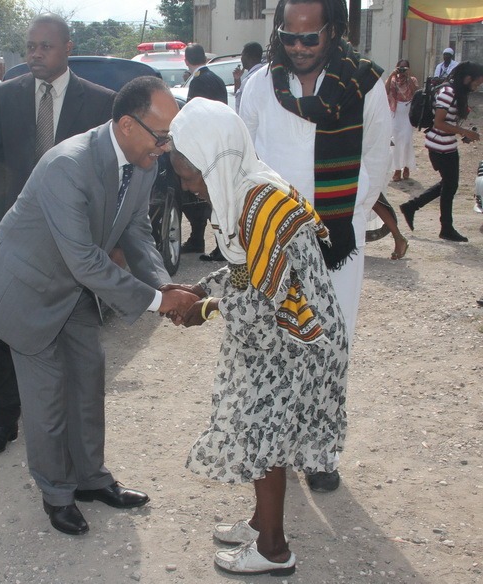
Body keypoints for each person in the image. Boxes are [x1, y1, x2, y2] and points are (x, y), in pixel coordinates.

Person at [0, 76, 198, 535]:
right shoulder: (69, 165)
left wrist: (163, 282)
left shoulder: (144, 162)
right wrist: (160, 303)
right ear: (126, 125)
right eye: (161, 136)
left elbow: (136, 231)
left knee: (88, 380)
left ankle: (92, 479)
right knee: (47, 399)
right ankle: (57, 493)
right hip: (26, 290)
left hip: (72, 286)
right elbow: (85, 259)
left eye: (170, 136)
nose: (165, 146)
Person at [167, 98, 347, 576]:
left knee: (266, 437)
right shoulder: (246, 189)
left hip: (294, 343)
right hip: (280, 338)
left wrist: (203, 307)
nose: (188, 188)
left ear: (214, 161)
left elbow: (267, 298)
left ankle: (272, 549)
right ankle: (259, 522)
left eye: (189, 176)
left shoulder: (261, 204)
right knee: (262, 433)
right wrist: (203, 288)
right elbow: (250, 272)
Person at [239, 0, 391, 492]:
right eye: (289, 37)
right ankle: (278, 449)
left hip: (336, 244)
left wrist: (345, 220)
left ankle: (321, 452)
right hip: (274, 241)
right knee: (277, 346)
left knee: (331, 345)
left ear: (334, 30)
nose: (299, 48)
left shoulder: (364, 83)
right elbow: (244, 159)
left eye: (311, 38)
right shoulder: (261, 83)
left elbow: (377, 157)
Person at [0, 14, 116, 455]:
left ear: (67, 48)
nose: (35, 54)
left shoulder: (99, 103)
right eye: (30, 46)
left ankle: (70, 434)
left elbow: (107, 177)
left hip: (72, 239)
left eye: (45, 46)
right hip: (19, 238)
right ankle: (4, 422)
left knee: (71, 337)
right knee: (9, 330)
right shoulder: (6, 96)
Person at [399, 62, 483, 243]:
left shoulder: (455, 92)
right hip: (441, 146)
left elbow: (448, 121)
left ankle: (412, 206)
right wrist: (464, 132)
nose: (477, 87)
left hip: (444, 144)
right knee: (450, 186)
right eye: (476, 83)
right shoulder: (448, 93)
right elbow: (439, 123)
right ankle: (445, 227)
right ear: (468, 78)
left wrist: (462, 133)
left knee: (448, 184)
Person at [180, 43, 228, 260]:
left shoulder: (198, 81)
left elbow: (194, 116)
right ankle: (200, 240)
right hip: (218, 143)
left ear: (186, 60)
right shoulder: (216, 79)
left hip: (205, 147)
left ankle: (220, 246)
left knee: (208, 198)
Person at [385, 60, 418, 182]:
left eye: (405, 68)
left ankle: (407, 166)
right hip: (395, 113)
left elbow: (416, 93)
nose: (402, 71)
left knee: (407, 141)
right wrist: (391, 75)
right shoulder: (393, 80)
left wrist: (408, 77)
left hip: (408, 113)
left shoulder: (412, 80)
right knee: (396, 142)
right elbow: (385, 90)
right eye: (400, 68)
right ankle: (397, 169)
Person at [233, 41, 265, 113]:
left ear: (248, 56)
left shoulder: (252, 79)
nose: (241, 59)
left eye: (242, 55)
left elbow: (241, 102)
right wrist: (237, 79)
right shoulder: (265, 74)